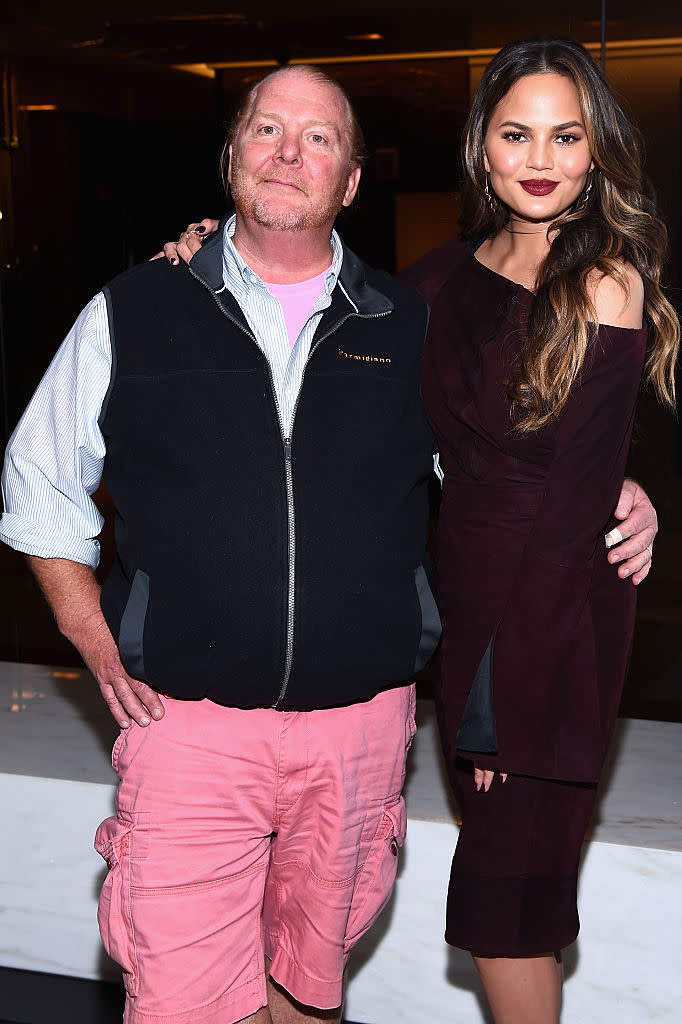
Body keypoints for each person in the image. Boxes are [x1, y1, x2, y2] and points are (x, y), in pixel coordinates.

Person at [1, 59, 658, 1024]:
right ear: (232, 160)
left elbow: (496, 454)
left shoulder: (406, 317)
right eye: (267, 130)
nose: (288, 153)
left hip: (360, 731)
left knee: (307, 993)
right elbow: (37, 478)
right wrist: (94, 635)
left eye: (319, 138)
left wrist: (620, 486)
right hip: (188, 730)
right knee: (185, 1003)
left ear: (352, 181)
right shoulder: (138, 309)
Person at [401, 36, 678, 1023]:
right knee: (513, 897)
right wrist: (202, 254)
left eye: (566, 135)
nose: (541, 156)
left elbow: (568, 514)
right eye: (517, 132)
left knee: (502, 913)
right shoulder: (437, 279)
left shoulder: (603, 280)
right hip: (470, 604)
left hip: (549, 628)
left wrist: (499, 706)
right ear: (482, 147)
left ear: (594, 152)